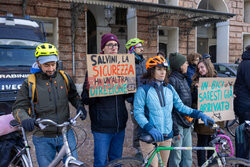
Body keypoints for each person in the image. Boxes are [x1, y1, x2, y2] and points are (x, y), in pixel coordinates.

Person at [12, 43, 87, 167]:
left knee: (72, 163)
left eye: (53, 64)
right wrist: (25, 119)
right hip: (43, 136)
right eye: (46, 65)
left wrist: (80, 106)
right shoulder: (30, 82)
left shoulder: (64, 77)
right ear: (38, 63)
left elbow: (73, 96)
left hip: (65, 132)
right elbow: (18, 107)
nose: (51, 69)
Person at [133, 55, 214, 167]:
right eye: (159, 69)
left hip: (167, 136)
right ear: (152, 71)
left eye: (164, 70)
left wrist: (199, 114)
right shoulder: (143, 90)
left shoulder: (169, 88)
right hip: (150, 136)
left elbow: (181, 107)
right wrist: (149, 128)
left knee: (164, 165)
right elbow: (138, 113)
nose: (163, 73)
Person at [82, 33, 130, 167]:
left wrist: (131, 89)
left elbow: (127, 97)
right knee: (101, 162)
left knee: (116, 161)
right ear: (103, 48)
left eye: (116, 45)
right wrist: (93, 90)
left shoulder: (123, 68)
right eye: (110, 45)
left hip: (119, 125)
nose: (114, 47)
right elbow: (85, 99)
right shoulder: (93, 70)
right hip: (102, 127)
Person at [191, 59, 224, 167]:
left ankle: (211, 165)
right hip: (203, 119)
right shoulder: (196, 82)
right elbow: (193, 101)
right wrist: (197, 91)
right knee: (202, 145)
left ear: (208, 67)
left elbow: (222, 98)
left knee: (213, 145)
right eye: (198, 68)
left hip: (215, 118)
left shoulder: (218, 80)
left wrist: (229, 96)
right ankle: (202, 165)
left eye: (202, 67)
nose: (200, 70)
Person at [168, 53, 194, 167]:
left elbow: (187, 99)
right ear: (180, 66)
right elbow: (172, 107)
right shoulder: (173, 80)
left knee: (187, 154)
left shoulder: (183, 78)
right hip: (178, 123)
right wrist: (175, 127)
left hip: (186, 121)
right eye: (185, 63)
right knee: (176, 156)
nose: (187, 64)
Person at [125, 37, 146, 159]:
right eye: (139, 47)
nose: (142, 49)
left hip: (145, 97)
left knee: (145, 121)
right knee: (137, 123)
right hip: (135, 98)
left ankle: (145, 144)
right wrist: (130, 96)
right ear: (132, 49)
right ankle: (138, 147)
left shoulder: (143, 61)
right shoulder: (128, 62)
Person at [234, 45, 250, 124]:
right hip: (246, 105)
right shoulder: (248, 64)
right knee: (246, 132)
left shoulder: (244, 62)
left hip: (243, 103)